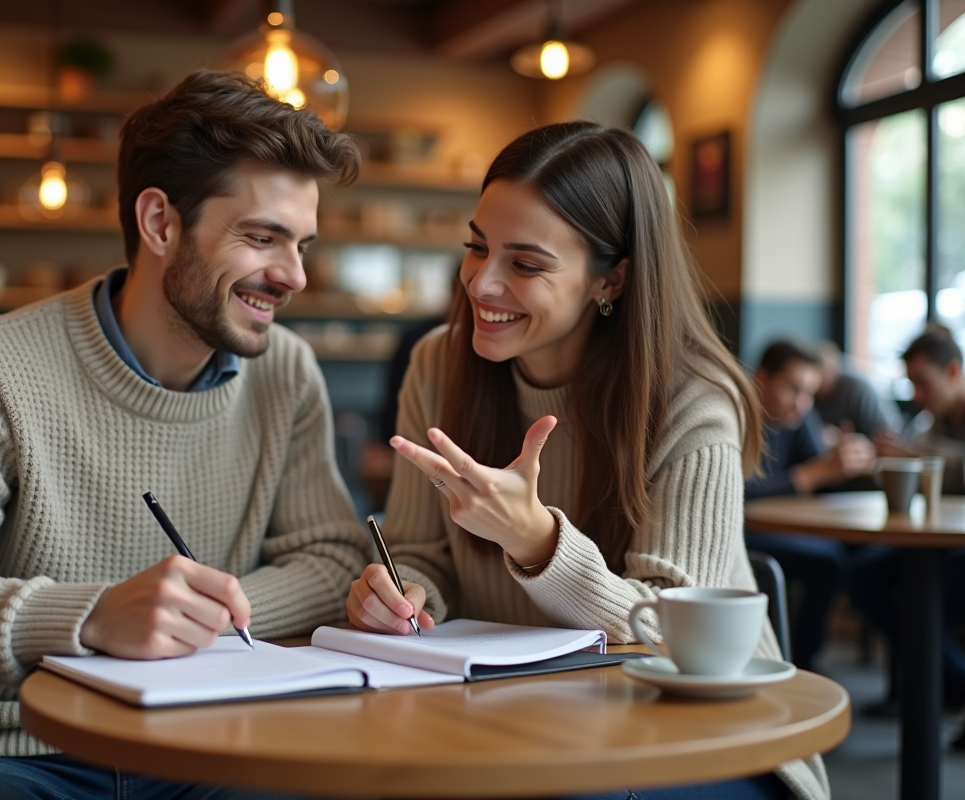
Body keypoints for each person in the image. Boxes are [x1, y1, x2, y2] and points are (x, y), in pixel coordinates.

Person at [0, 70, 371, 800]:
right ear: (160, 224)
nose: (295, 276)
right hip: (4, 748)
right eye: (262, 237)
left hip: (213, 740)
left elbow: (334, 560)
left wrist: (194, 619)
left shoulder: (286, 373)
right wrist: (89, 618)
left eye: (301, 244)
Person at [344, 122, 828, 800]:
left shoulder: (693, 400)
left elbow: (672, 632)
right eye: (476, 248)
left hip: (698, 737)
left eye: (526, 264)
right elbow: (421, 550)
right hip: (514, 726)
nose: (482, 284)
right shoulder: (437, 364)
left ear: (612, 279)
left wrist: (538, 542)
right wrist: (404, 593)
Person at [849, 327, 965, 722]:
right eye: (912, 384)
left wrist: (916, 453)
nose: (917, 395)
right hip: (939, 543)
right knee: (863, 576)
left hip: (955, 546)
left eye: (923, 383)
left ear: (953, 372)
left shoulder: (931, 432)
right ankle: (945, 684)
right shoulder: (935, 424)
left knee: (916, 596)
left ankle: (942, 687)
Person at [743, 339, 876, 672]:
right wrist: (813, 474)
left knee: (845, 556)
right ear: (761, 378)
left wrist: (848, 458)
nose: (802, 403)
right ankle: (801, 663)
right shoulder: (735, 414)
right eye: (793, 389)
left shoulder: (799, 417)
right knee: (827, 561)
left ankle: (802, 660)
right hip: (737, 534)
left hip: (780, 529)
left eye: (810, 394)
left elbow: (823, 467)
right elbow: (735, 493)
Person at [813, 339, 901, 440]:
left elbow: (884, 435)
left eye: (819, 373)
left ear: (832, 369)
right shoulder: (808, 395)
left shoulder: (856, 390)